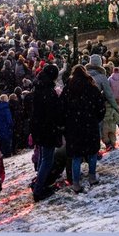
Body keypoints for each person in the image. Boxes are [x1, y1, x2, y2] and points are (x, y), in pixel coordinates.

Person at [61, 64, 105, 193]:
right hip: (90, 124)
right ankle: (92, 177)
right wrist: (97, 118)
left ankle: (76, 183)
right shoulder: (92, 87)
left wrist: (65, 123)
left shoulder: (67, 89)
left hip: (73, 127)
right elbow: (100, 105)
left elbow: (62, 108)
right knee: (91, 152)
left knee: (76, 156)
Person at [31, 63, 64, 201]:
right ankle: (39, 189)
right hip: (47, 129)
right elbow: (53, 113)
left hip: (39, 128)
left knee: (43, 158)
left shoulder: (39, 88)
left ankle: (39, 183)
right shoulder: (48, 92)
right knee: (47, 160)